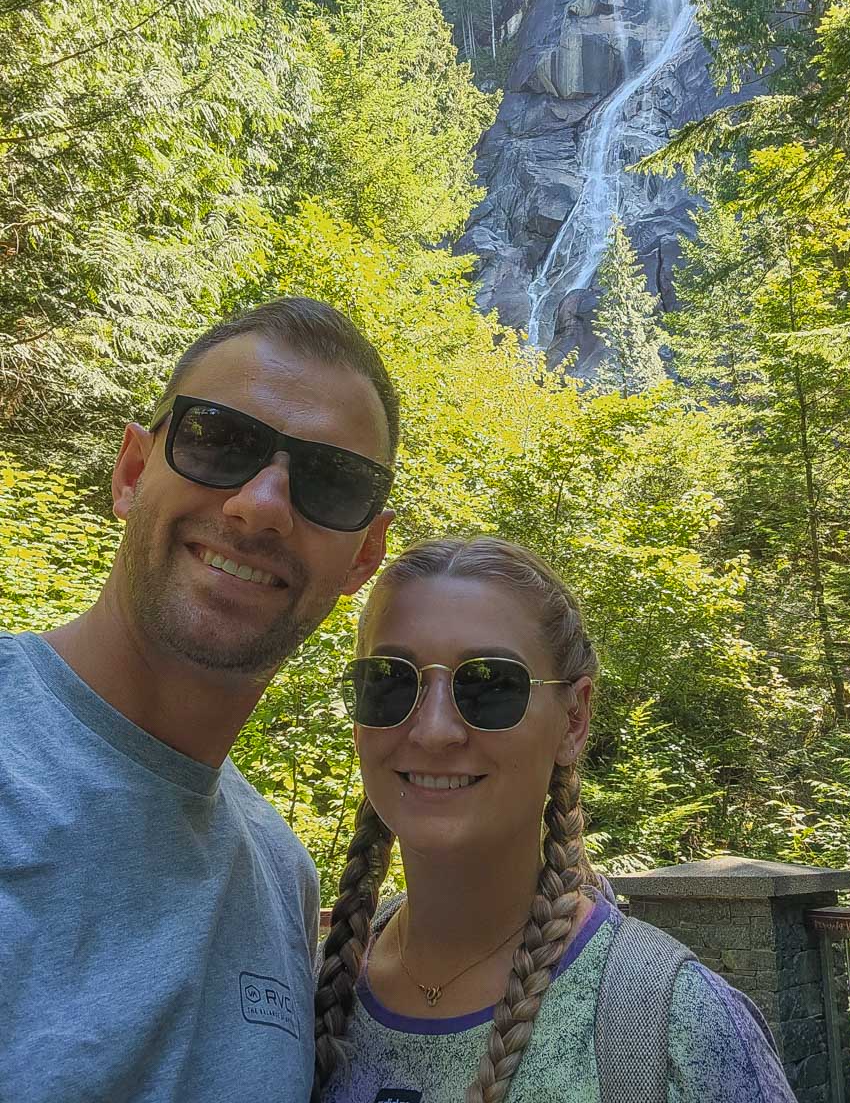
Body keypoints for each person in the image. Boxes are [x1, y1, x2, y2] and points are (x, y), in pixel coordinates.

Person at [0, 297, 397, 1102]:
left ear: (364, 558)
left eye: (331, 480)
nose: (260, 505)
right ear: (132, 471)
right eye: (221, 440)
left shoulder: (282, 875)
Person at [312, 537, 799, 1103]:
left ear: (573, 719)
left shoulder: (674, 1028)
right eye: (392, 682)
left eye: (490, 686)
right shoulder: (305, 990)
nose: (433, 730)